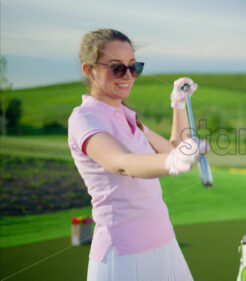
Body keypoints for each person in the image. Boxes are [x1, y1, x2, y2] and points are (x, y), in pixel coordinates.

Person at [68, 28, 207, 281]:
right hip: (122, 255)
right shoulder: (84, 119)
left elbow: (174, 148)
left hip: (165, 244)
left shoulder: (129, 117)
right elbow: (122, 163)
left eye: (134, 67)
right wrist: (174, 161)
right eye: (117, 68)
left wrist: (178, 105)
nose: (128, 75)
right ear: (89, 70)